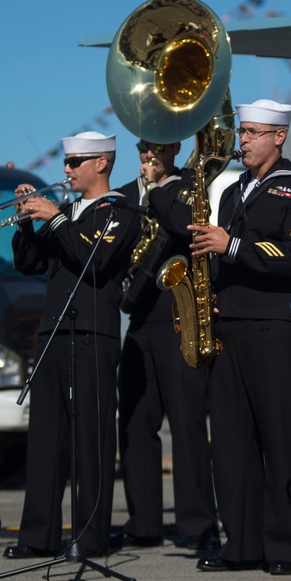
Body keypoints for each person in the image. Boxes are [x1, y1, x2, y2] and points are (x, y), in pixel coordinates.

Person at [180, 99, 291, 575]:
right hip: (230, 327)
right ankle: (240, 545)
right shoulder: (232, 190)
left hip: (275, 327)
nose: (242, 140)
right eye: (242, 132)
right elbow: (222, 257)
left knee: (281, 439)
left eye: (254, 133)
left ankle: (285, 549)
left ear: (279, 137)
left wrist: (231, 244)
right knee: (231, 442)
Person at [4, 131, 140, 559]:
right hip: (53, 333)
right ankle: (37, 537)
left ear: (101, 163)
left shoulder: (121, 210)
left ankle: (89, 537)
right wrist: (27, 221)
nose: (66, 169)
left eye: (76, 161)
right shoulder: (64, 212)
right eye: (66, 161)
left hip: (93, 334)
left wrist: (56, 219)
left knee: (90, 441)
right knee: (45, 440)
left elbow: (96, 260)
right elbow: (29, 263)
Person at [114, 139, 219, 549]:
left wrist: (156, 191)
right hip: (139, 316)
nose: (148, 154)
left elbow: (182, 226)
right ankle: (144, 522)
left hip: (178, 315)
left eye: (157, 147)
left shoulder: (187, 187)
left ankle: (196, 524)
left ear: (174, 148)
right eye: (143, 147)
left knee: (187, 421)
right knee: (137, 422)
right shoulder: (124, 195)